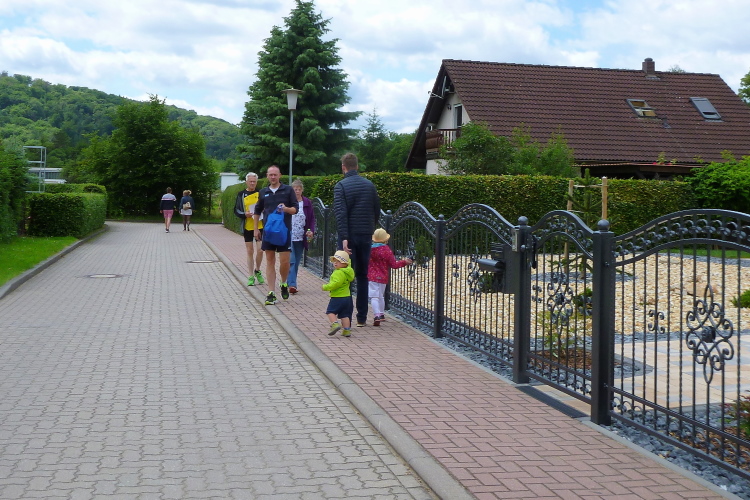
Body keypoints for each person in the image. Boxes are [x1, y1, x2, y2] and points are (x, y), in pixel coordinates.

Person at [333, 152, 381, 327]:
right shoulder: (369, 185)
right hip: (365, 235)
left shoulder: (341, 186)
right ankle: (362, 317)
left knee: (344, 275)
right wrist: (369, 228)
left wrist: (344, 237)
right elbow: (376, 209)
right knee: (362, 275)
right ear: (357, 166)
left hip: (349, 236)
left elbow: (341, 214)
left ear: (343, 167)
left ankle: (346, 316)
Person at [253, 165, 297, 305]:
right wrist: (256, 229)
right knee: (270, 261)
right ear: (267, 176)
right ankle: (271, 293)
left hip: (284, 232)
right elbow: (257, 211)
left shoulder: (288, 190)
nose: (273, 177)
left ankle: (283, 282)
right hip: (269, 232)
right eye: (270, 174)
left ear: (280, 175)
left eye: (275, 174)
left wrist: (286, 209)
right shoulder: (263, 192)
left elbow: (295, 209)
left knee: (285, 262)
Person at [368, 228, 412, 326]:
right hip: (383, 276)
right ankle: (382, 314)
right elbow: (394, 265)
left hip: (372, 276)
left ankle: (376, 315)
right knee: (380, 296)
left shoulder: (370, 250)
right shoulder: (387, 250)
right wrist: (404, 262)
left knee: (374, 297)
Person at [234, 173, 265, 286]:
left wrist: (263, 210)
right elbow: (236, 210)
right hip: (248, 226)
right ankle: (251, 276)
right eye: (250, 181)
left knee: (260, 250)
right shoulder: (241, 194)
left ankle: (257, 270)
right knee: (250, 251)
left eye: (254, 182)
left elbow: (267, 207)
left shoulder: (261, 193)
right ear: (246, 182)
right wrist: (244, 214)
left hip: (260, 226)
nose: (252, 183)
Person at [287, 179, 315, 294]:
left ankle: (287, 281)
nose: (297, 191)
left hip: (301, 236)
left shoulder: (307, 203)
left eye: (299, 189)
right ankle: (292, 284)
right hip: (289, 234)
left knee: (297, 260)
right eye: (295, 189)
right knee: (292, 260)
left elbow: (312, 219)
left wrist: (311, 230)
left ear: (302, 190)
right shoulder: (288, 202)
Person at [322, 250, 354, 337]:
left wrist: (326, 287)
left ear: (344, 263)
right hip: (347, 297)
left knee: (330, 312)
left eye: (339, 261)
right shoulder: (348, 271)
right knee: (345, 315)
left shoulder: (338, 272)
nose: (335, 263)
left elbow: (336, 284)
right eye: (335, 261)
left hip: (337, 297)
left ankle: (335, 324)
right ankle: (347, 330)